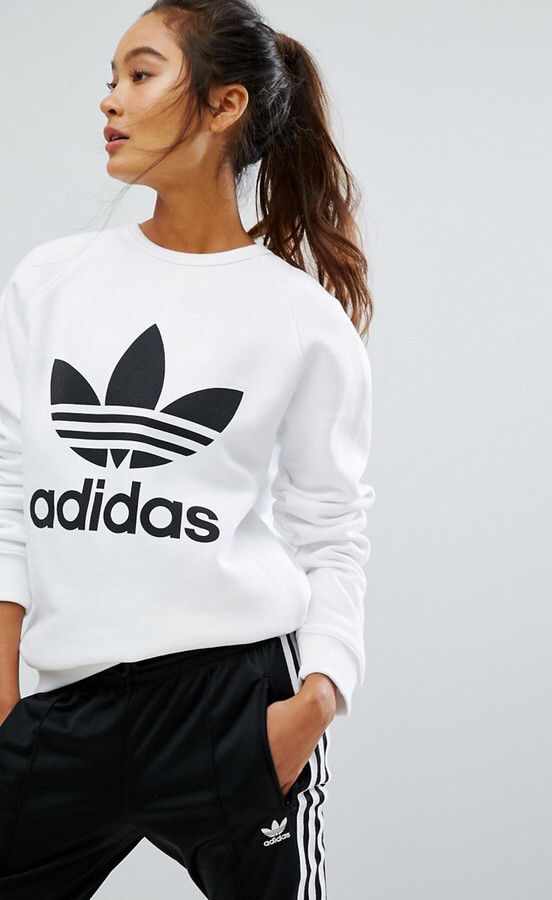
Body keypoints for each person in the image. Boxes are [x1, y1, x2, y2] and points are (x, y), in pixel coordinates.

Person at [0, 1, 375, 897]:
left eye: (140, 74)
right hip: (65, 702)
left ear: (223, 104)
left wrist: (316, 700)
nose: (110, 100)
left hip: (231, 706)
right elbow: (10, 493)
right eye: (111, 79)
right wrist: (5, 701)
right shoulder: (50, 281)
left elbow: (331, 530)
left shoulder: (300, 319)